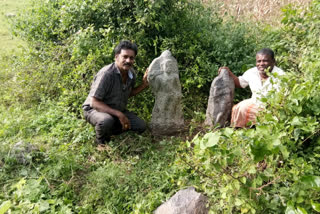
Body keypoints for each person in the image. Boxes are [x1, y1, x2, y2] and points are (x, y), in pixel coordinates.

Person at [82, 40, 149, 144]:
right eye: (125, 57)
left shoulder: (131, 74)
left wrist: (144, 84)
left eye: (131, 58)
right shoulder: (107, 74)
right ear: (116, 57)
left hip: (115, 110)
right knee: (106, 121)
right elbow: (94, 102)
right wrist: (119, 114)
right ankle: (101, 143)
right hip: (94, 109)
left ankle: (111, 128)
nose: (128, 60)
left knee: (141, 126)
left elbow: (128, 93)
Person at [219, 48, 285, 128]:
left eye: (265, 61)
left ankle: (259, 129)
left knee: (249, 110)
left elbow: (283, 99)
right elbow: (240, 83)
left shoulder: (281, 76)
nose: (261, 64)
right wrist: (229, 73)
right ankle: (240, 130)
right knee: (238, 108)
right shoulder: (252, 72)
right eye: (259, 61)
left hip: (272, 106)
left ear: (273, 61)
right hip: (255, 101)